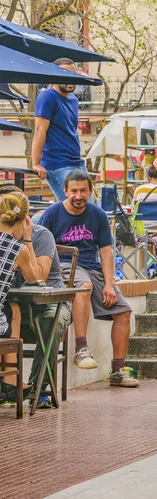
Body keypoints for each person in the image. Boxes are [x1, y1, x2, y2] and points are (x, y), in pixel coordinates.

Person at [39, 170, 139, 387]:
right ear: (64, 191)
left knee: (123, 311)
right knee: (83, 287)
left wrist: (110, 285)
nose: (78, 195)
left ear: (91, 191)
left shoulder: (98, 215)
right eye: (73, 190)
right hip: (65, 267)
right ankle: (81, 350)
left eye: (83, 190)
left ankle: (118, 370)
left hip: (93, 268)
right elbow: (41, 248)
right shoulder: (52, 214)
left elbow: (105, 251)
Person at [0, 185, 72, 409]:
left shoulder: (41, 235)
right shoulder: (13, 244)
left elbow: (38, 277)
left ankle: (38, 388)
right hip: (13, 305)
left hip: (46, 303)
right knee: (12, 311)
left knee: (50, 322)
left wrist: (28, 238)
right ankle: (9, 385)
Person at [31, 57, 90, 201]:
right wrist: (36, 163)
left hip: (77, 161)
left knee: (90, 208)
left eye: (72, 75)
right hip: (57, 164)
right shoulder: (47, 97)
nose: (70, 79)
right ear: (54, 75)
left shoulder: (73, 100)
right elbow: (39, 130)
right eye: (64, 75)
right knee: (74, 207)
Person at [0, 192, 39, 403]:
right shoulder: (18, 248)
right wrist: (28, 239)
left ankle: (7, 382)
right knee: (11, 310)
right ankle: (9, 381)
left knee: (11, 308)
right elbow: (33, 277)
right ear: (23, 220)